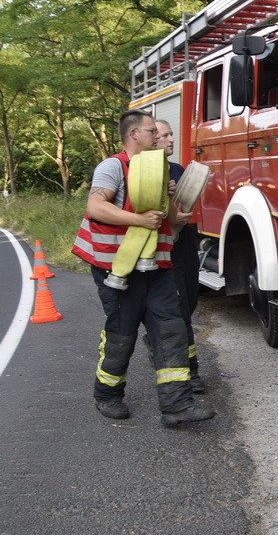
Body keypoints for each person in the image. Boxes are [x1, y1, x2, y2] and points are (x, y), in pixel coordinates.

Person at [72, 110, 215, 427]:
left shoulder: (159, 169)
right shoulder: (113, 167)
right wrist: (139, 219)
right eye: (153, 131)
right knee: (122, 334)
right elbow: (96, 206)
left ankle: (177, 407)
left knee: (171, 329)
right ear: (134, 134)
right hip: (118, 270)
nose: (161, 137)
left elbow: (175, 220)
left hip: (157, 266)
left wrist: (180, 199)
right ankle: (107, 395)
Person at [151, 119, 205, 393]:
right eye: (164, 135)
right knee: (178, 311)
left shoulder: (177, 169)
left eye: (172, 133)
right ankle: (190, 373)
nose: (171, 139)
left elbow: (183, 207)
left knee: (190, 302)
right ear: (150, 138)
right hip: (161, 249)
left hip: (183, 244)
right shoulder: (142, 172)